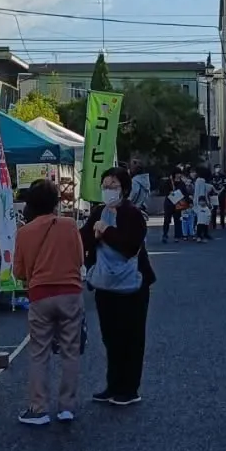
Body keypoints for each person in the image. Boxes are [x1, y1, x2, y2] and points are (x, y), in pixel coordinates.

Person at [12, 180, 84, 426]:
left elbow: (19, 272)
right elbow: (80, 258)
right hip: (70, 292)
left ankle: (38, 408)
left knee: (39, 351)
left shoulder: (24, 232)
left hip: (40, 294)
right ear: (56, 202)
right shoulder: (70, 225)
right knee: (70, 350)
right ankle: (67, 407)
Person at [82, 166, 155, 406]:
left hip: (133, 284)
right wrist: (94, 233)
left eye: (112, 186)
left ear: (124, 188)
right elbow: (83, 239)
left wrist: (107, 231)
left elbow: (130, 247)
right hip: (105, 284)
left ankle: (130, 388)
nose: (108, 190)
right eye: (104, 186)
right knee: (110, 336)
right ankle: (113, 385)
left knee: (131, 336)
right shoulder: (97, 212)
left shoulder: (132, 213)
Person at [192, 166, 213, 242]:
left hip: (198, 201)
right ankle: (201, 234)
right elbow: (202, 192)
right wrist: (205, 202)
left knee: (201, 220)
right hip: (201, 201)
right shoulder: (201, 181)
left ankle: (200, 234)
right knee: (203, 220)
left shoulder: (198, 180)